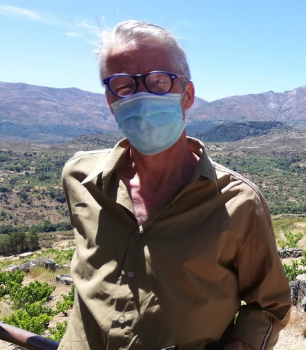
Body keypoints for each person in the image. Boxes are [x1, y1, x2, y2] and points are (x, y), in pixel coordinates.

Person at [59, 20, 291, 350]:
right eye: (123, 86)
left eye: (158, 81)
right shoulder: (80, 179)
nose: (141, 97)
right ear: (110, 101)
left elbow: (268, 306)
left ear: (187, 94)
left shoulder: (237, 202)